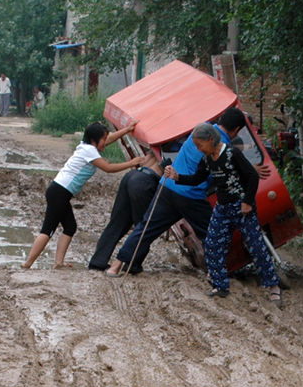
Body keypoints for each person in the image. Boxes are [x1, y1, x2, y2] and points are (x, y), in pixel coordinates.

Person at [104, 106, 267, 277]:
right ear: (236, 130)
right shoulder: (221, 146)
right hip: (191, 196)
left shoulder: (201, 129)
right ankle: (218, 273)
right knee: (213, 233)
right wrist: (250, 170)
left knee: (146, 228)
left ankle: (115, 266)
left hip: (167, 187)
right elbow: (224, 174)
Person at [163, 122, 281, 303]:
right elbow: (197, 179)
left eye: (199, 144)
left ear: (210, 139)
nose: (198, 149)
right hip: (222, 208)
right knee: (212, 244)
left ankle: (273, 285)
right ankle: (220, 285)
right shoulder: (207, 159)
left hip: (242, 207)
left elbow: (251, 176)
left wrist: (248, 202)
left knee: (256, 245)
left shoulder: (232, 154)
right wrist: (177, 177)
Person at [22, 121, 143, 269]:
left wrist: (126, 130)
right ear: (94, 140)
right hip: (59, 192)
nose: (106, 141)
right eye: (103, 139)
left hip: (60, 191)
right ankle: (27, 264)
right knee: (47, 230)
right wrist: (132, 163)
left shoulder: (87, 147)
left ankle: (58, 263)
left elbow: (109, 139)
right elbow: (108, 168)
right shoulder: (89, 151)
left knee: (70, 227)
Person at [88, 150, 165, 272]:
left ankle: (98, 261)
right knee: (143, 228)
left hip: (132, 175)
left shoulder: (158, 144)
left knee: (116, 223)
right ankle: (132, 265)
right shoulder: (178, 146)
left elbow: (145, 158)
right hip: (146, 181)